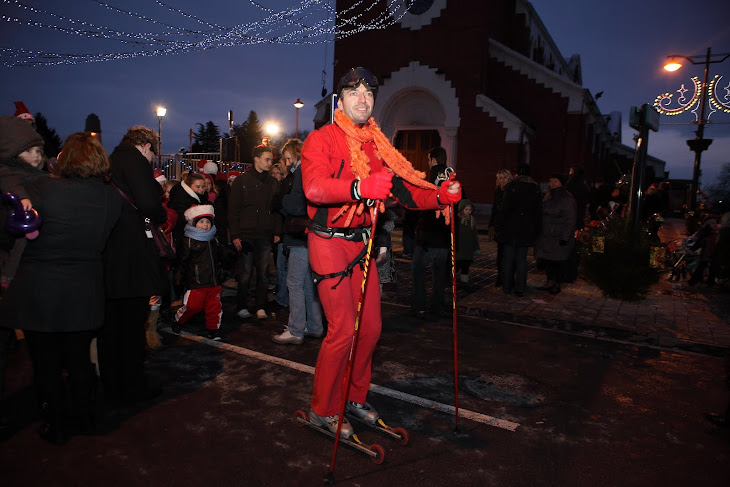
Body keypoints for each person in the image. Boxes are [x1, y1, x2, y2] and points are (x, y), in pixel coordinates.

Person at [301, 67, 462, 438]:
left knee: (371, 328)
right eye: (354, 92)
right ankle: (322, 409)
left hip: (363, 243)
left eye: (368, 94)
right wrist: (359, 188)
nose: (362, 99)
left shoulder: (378, 145)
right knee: (342, 329)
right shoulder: (321, 139)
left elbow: (406, 190)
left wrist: (440, 195)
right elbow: (314, 189)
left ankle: (354, 398)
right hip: (327, 241)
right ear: (340, 101)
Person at [0, 132, 122, 444]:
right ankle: (86, 417)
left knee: (46, 363)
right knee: (80, 359)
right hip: (85, 288)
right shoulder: (110, 197)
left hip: (40, 289)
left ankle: (55, 423)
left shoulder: (43, 187)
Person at [99, 125, 167, 406]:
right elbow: (150, 204)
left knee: (110, 325)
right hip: (131, 251)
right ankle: (133, 385)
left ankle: (111, 385)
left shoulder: (110, 161)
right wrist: (159, 208)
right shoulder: (135, 161)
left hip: (108, 251)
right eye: (153, 152)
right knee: (130, 323)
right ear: (145, 146)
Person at [272, 139, 324, 345]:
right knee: (307, 284)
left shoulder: (301, 172)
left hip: (299, 236)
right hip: (310, 234)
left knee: (294, 283)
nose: (285, 162)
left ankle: (295, 329)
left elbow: (297, 205)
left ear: (294, 154)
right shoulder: (312, 170)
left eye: (287, 157)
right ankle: (314, 325)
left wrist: (280, 201)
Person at [228, 145, 281, 321]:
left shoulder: (273, 182)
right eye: (266, 159)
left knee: (263, 274)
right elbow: (233, 210)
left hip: (265, 236)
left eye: (271, 159)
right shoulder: (241, 181)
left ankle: (260, 306)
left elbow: (276, 210)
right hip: (246, 236)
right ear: (256, 158)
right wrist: (235, 234)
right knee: (245, 273)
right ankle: (242, 305)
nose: (269, 163)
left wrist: (276, 231)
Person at [0, 116, 47, 290]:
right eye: (29, 151)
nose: (35, 156)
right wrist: (21, 197)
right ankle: (9, 275)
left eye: (38, 151)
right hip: (20, 221)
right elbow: (10, 182)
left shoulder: (34, 172)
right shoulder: (10, 170)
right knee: (20, 246)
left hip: (32, 221)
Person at [411, 147, 455, 319]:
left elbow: (420, 203)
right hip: (444, 236)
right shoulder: (452, 180)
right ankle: (438, 305)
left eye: (429, 159)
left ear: (434, 160)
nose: (428, 163)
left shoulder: (428, 180)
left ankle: (420, 306)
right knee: (439, 275)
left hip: (428, 236)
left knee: (418, 271)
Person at [172, 204, 224, 341]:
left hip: (213, 281)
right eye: (201, 222)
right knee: (192, 307)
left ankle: (213, 330)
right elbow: (182, 261)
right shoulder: (189, 241)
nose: (205, 225)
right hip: (196, 282)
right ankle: (178, 320)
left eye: (208, 222)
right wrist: (178, 276)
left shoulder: (214, 239)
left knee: (214, 308)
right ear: (194, 223)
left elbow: (221, 256)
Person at [496, 163, 541, 297]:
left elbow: (504, 208)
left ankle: (507, 286)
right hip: (526, 228)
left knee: (508, 258)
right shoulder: (534, 187)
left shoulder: (511, 186)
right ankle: (520, 287)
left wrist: (500, 226)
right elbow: (537, 210)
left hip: (510, 227)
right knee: (521, 259)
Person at [535, 173, 577, 295]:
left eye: (555, 181)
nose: (552, 184)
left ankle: (556, 284)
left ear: (561, 183)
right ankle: (549, 281)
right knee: (548, 260)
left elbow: (570, 219)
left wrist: (565, 236)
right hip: (547, 234)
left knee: (557, 261)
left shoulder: (567, 198)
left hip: (558, 235)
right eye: (551, 181)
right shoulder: (549, 195)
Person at [488, 169, 512, 287]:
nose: (501, 180)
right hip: (499, 225)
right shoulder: (498, 190)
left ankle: (507, 277)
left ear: (509, 178)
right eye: (499, 178)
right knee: (500, 253)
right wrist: (491, 224)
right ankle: (500, 276)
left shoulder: (511, 190)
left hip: (507, 225)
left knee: (507, 253)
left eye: (504, 178)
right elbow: (494, 208)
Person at [455, 199, 481, 284]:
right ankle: (452, 278)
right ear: (462, 209)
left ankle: (464, 281)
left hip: (468, 249)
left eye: (470, 210)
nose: (468, 211)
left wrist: (476, 247)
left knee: (466, 266)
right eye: (466, 209)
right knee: (457, 265)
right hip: (459, 248)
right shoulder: (457, 220)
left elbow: (474, 235)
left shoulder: (472, 220)